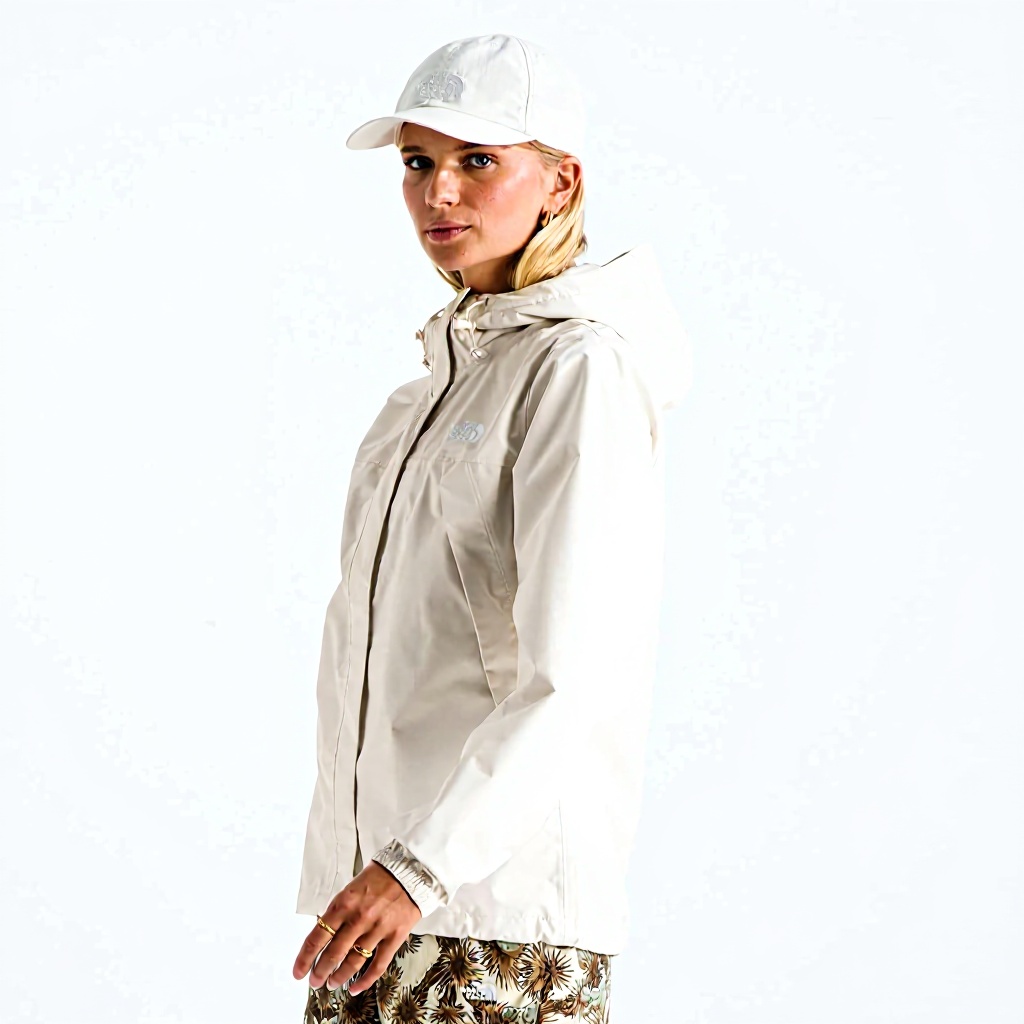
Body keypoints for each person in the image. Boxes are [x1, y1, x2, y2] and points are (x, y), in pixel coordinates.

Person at [291, 32, 692, 1024]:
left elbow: (574, 672)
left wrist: (420, 866)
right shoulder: (424, 397)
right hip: (378, 906)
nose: (440, 192)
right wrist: (374, 866)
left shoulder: (579, 370)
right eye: (417, 162)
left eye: (478, 160)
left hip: (499, 920)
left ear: (560, 183)